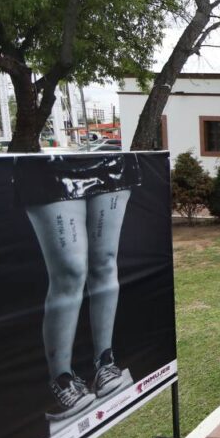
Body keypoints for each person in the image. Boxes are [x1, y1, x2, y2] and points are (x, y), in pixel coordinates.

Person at [19, 154, 140, 420]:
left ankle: (104, 363)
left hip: (108, 163)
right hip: (50, 166)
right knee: (69, 272)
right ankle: (62, 378)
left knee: (105, 261)